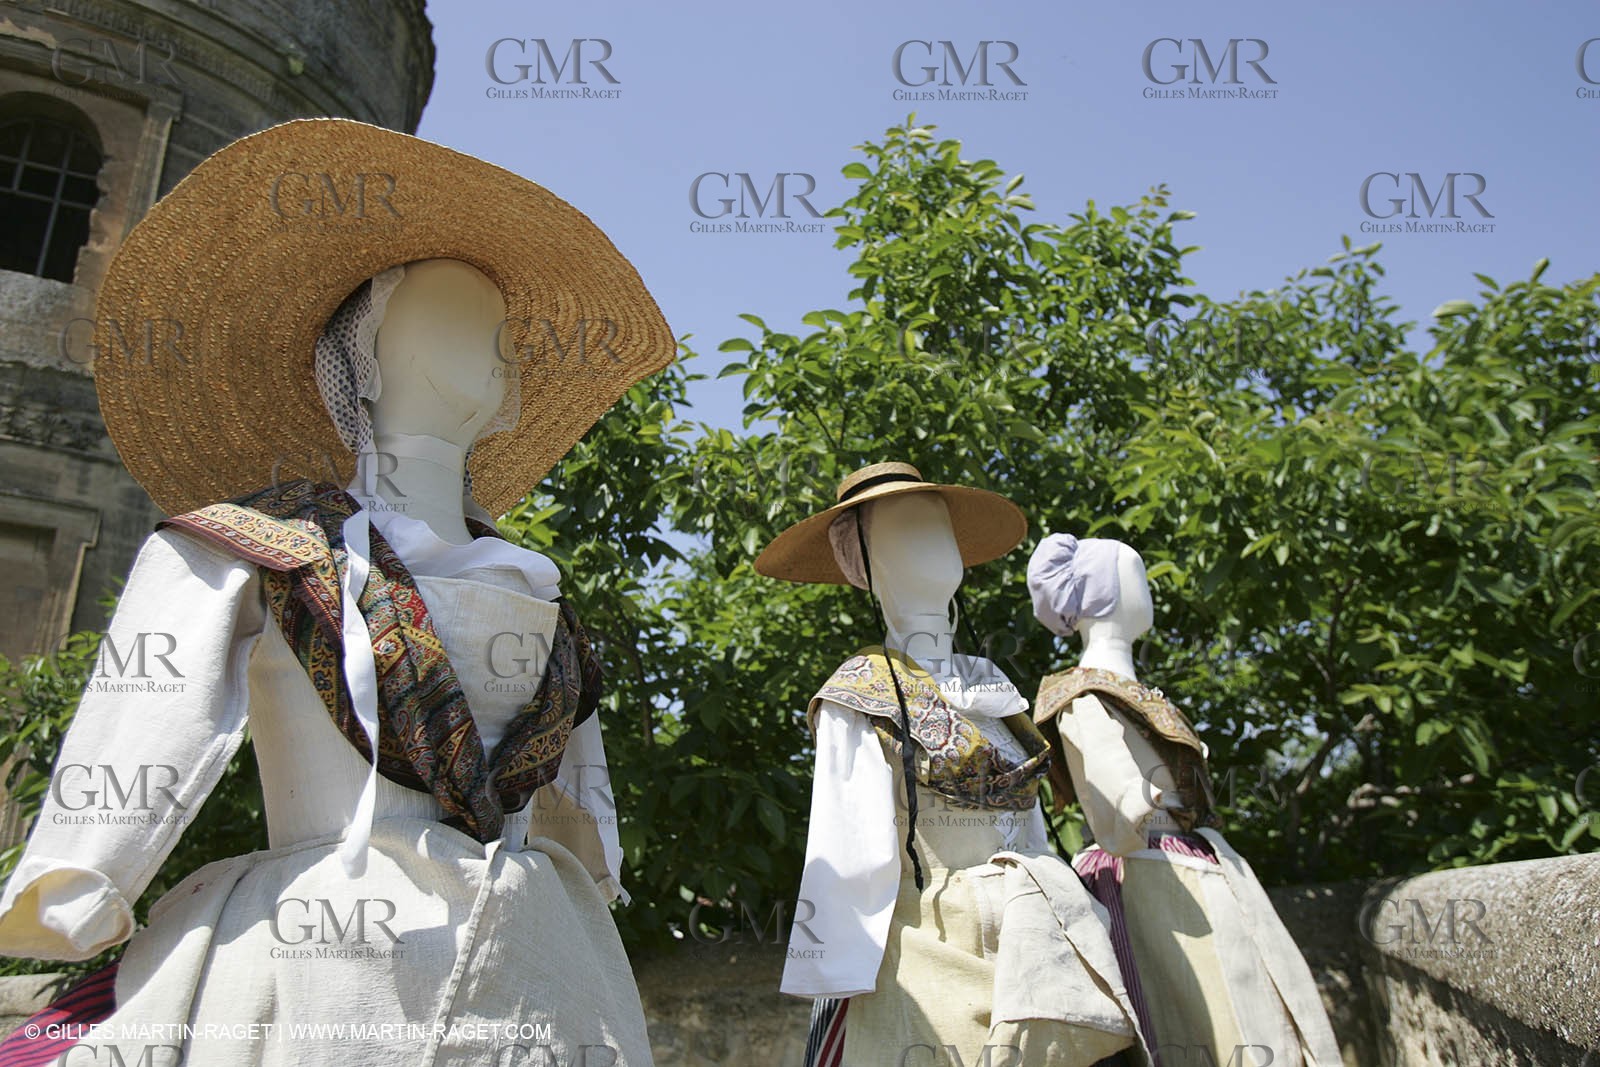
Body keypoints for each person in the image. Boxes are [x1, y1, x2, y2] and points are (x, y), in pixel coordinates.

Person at [0, 118, 675, 1066]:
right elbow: (142, 733)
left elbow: (572, 814)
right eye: (458, 306)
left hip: (543, 962)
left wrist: (588, 873)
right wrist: (77, 883)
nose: (500, 335)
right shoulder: (247, 548)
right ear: (370, 343)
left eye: (500, 318)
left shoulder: (538, 587)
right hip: (323, 957)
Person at [757, 463, 1143, 1067]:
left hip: (1044, 941)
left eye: (940, 525)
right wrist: (839, 982)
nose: (936, 543)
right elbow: (849, 858)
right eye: (907, 529)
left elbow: (1034, 832)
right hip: (935, 949)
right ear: (862, 560)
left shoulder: (995, 688)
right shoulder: (858, 696)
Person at [1027, 533, 1343, 1067]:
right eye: (1136, 575)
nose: (1146, 589)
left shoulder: (1126, 689)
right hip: (1150, 874)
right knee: (1200, 1016)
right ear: (1104, 593)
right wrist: (1159, 789)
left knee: (1244, 1005)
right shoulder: (1083, 695)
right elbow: (1115, 806)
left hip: (1194, 863)